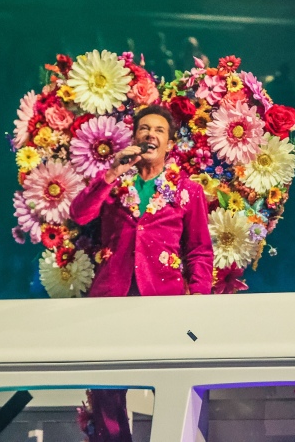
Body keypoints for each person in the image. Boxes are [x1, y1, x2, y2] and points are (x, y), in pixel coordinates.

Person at [70, 105, 213, 441]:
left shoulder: (187, 190)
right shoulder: (115, 186)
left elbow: (199, 249)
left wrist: (200, 301)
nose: (151, 134)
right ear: (134, 138)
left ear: (169, 144)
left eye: (159, 130)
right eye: (144, 129)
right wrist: (110, 174)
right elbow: (79, 215)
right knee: (106, 383)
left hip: (164, 299)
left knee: (170, 381)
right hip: (112, 297)